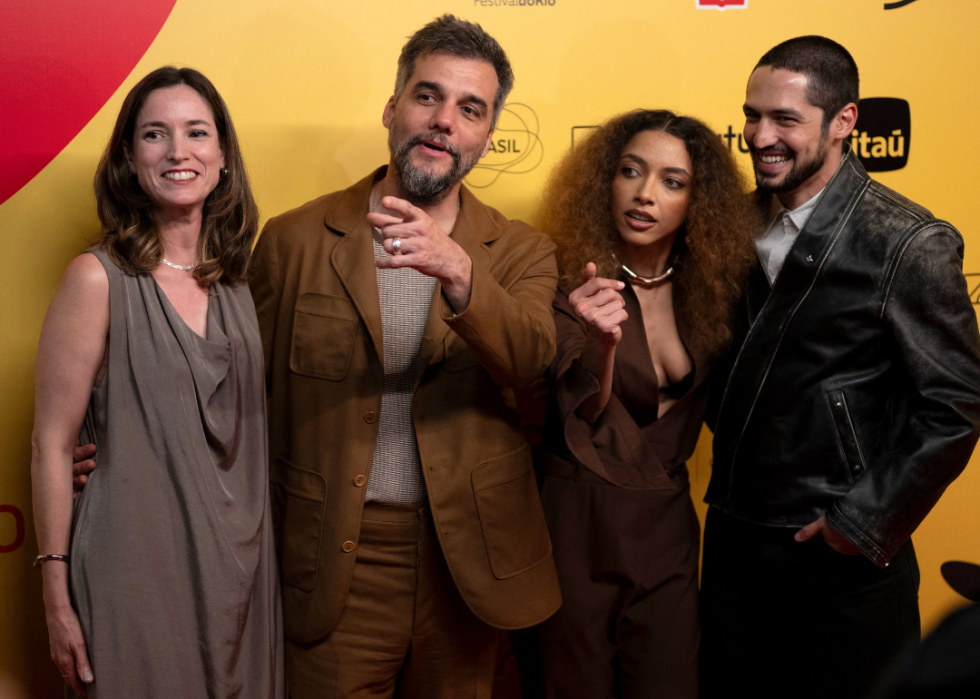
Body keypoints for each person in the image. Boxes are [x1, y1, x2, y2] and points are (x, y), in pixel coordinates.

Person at [247, 15, 561, 699]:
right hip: (333, 561)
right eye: (428, 96)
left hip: (468, 567)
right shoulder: (294, 239)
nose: (444, 120)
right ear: (394, 108)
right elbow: (240, 395)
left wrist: (456, 270)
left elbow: (532, 360)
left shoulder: (521, 251)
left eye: (469, 108)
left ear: (486, 133)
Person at [700, 35, 980, 699]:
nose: (759, 136)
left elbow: (959, 401)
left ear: (844, 122)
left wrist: (863, 523)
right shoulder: (732, 224)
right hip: (735, 543)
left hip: (840, 557)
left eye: (784, 120)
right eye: (751, 115)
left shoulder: (907, 241)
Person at [31, 67, 283, 698]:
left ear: (222, 157)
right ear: (128, 157)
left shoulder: (239, 283)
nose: (178, 152)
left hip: (244, 576)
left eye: (197, 133)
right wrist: (56, 598)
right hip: (132, 575)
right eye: (154, 134)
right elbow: (52, 446)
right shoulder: (96, 280)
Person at [513, 109, 756, 698]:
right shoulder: (565, 278)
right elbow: (584, 412)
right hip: (576, 527)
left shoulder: (716, 288)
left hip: (668, 530)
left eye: (673, 182)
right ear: (605, 182)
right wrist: (602, 344)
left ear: (699, 202)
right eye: (631, 172)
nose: (646, 195)